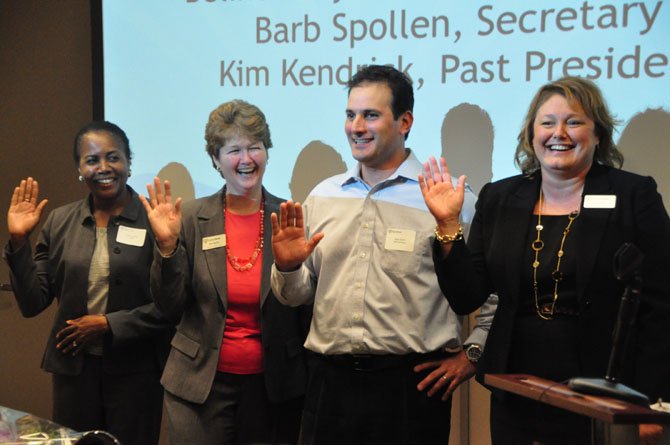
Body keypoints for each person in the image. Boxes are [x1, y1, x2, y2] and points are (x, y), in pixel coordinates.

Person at [420, 76, 670, 444]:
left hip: (603, 391)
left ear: (598, 133)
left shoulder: (634, 195)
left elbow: (660, 304)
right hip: (517, 387)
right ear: (531, 134)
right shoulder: (501, 197)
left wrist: (650, 402)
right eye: (548, 122)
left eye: (574, 121)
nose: (559, 133)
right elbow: (467, 295)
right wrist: (448, 226)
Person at [270, 65, 496, 444]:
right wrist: (288, 267)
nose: (356, 126)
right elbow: (294, 295)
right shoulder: (323, 196)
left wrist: (473, 353)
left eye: (370, 115)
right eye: (350, 114)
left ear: (404, 121)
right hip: (329, 385)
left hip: (410, 389)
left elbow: (491, 289)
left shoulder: (450, 200)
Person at [141, 100, 309, 445]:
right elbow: (168, 306)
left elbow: (303, 306)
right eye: (234, 150)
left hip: (273, 387)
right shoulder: (189, 217)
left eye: (255, 147)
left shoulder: (290, 218)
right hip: (197, 385)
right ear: (216, 160)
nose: (246, 159)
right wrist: (168, 249)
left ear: (267, 152)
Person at [4, 121, 172, 445]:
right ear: (80, 169)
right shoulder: (60, 221)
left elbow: (172, 306)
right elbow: (32, 302)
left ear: (128, 162)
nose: (104, 168)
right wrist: (18, 243)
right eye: (92, 160)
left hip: (136, 372)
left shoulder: (156, 221)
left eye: (113, 157)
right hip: (73, 371)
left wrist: (109, 325)